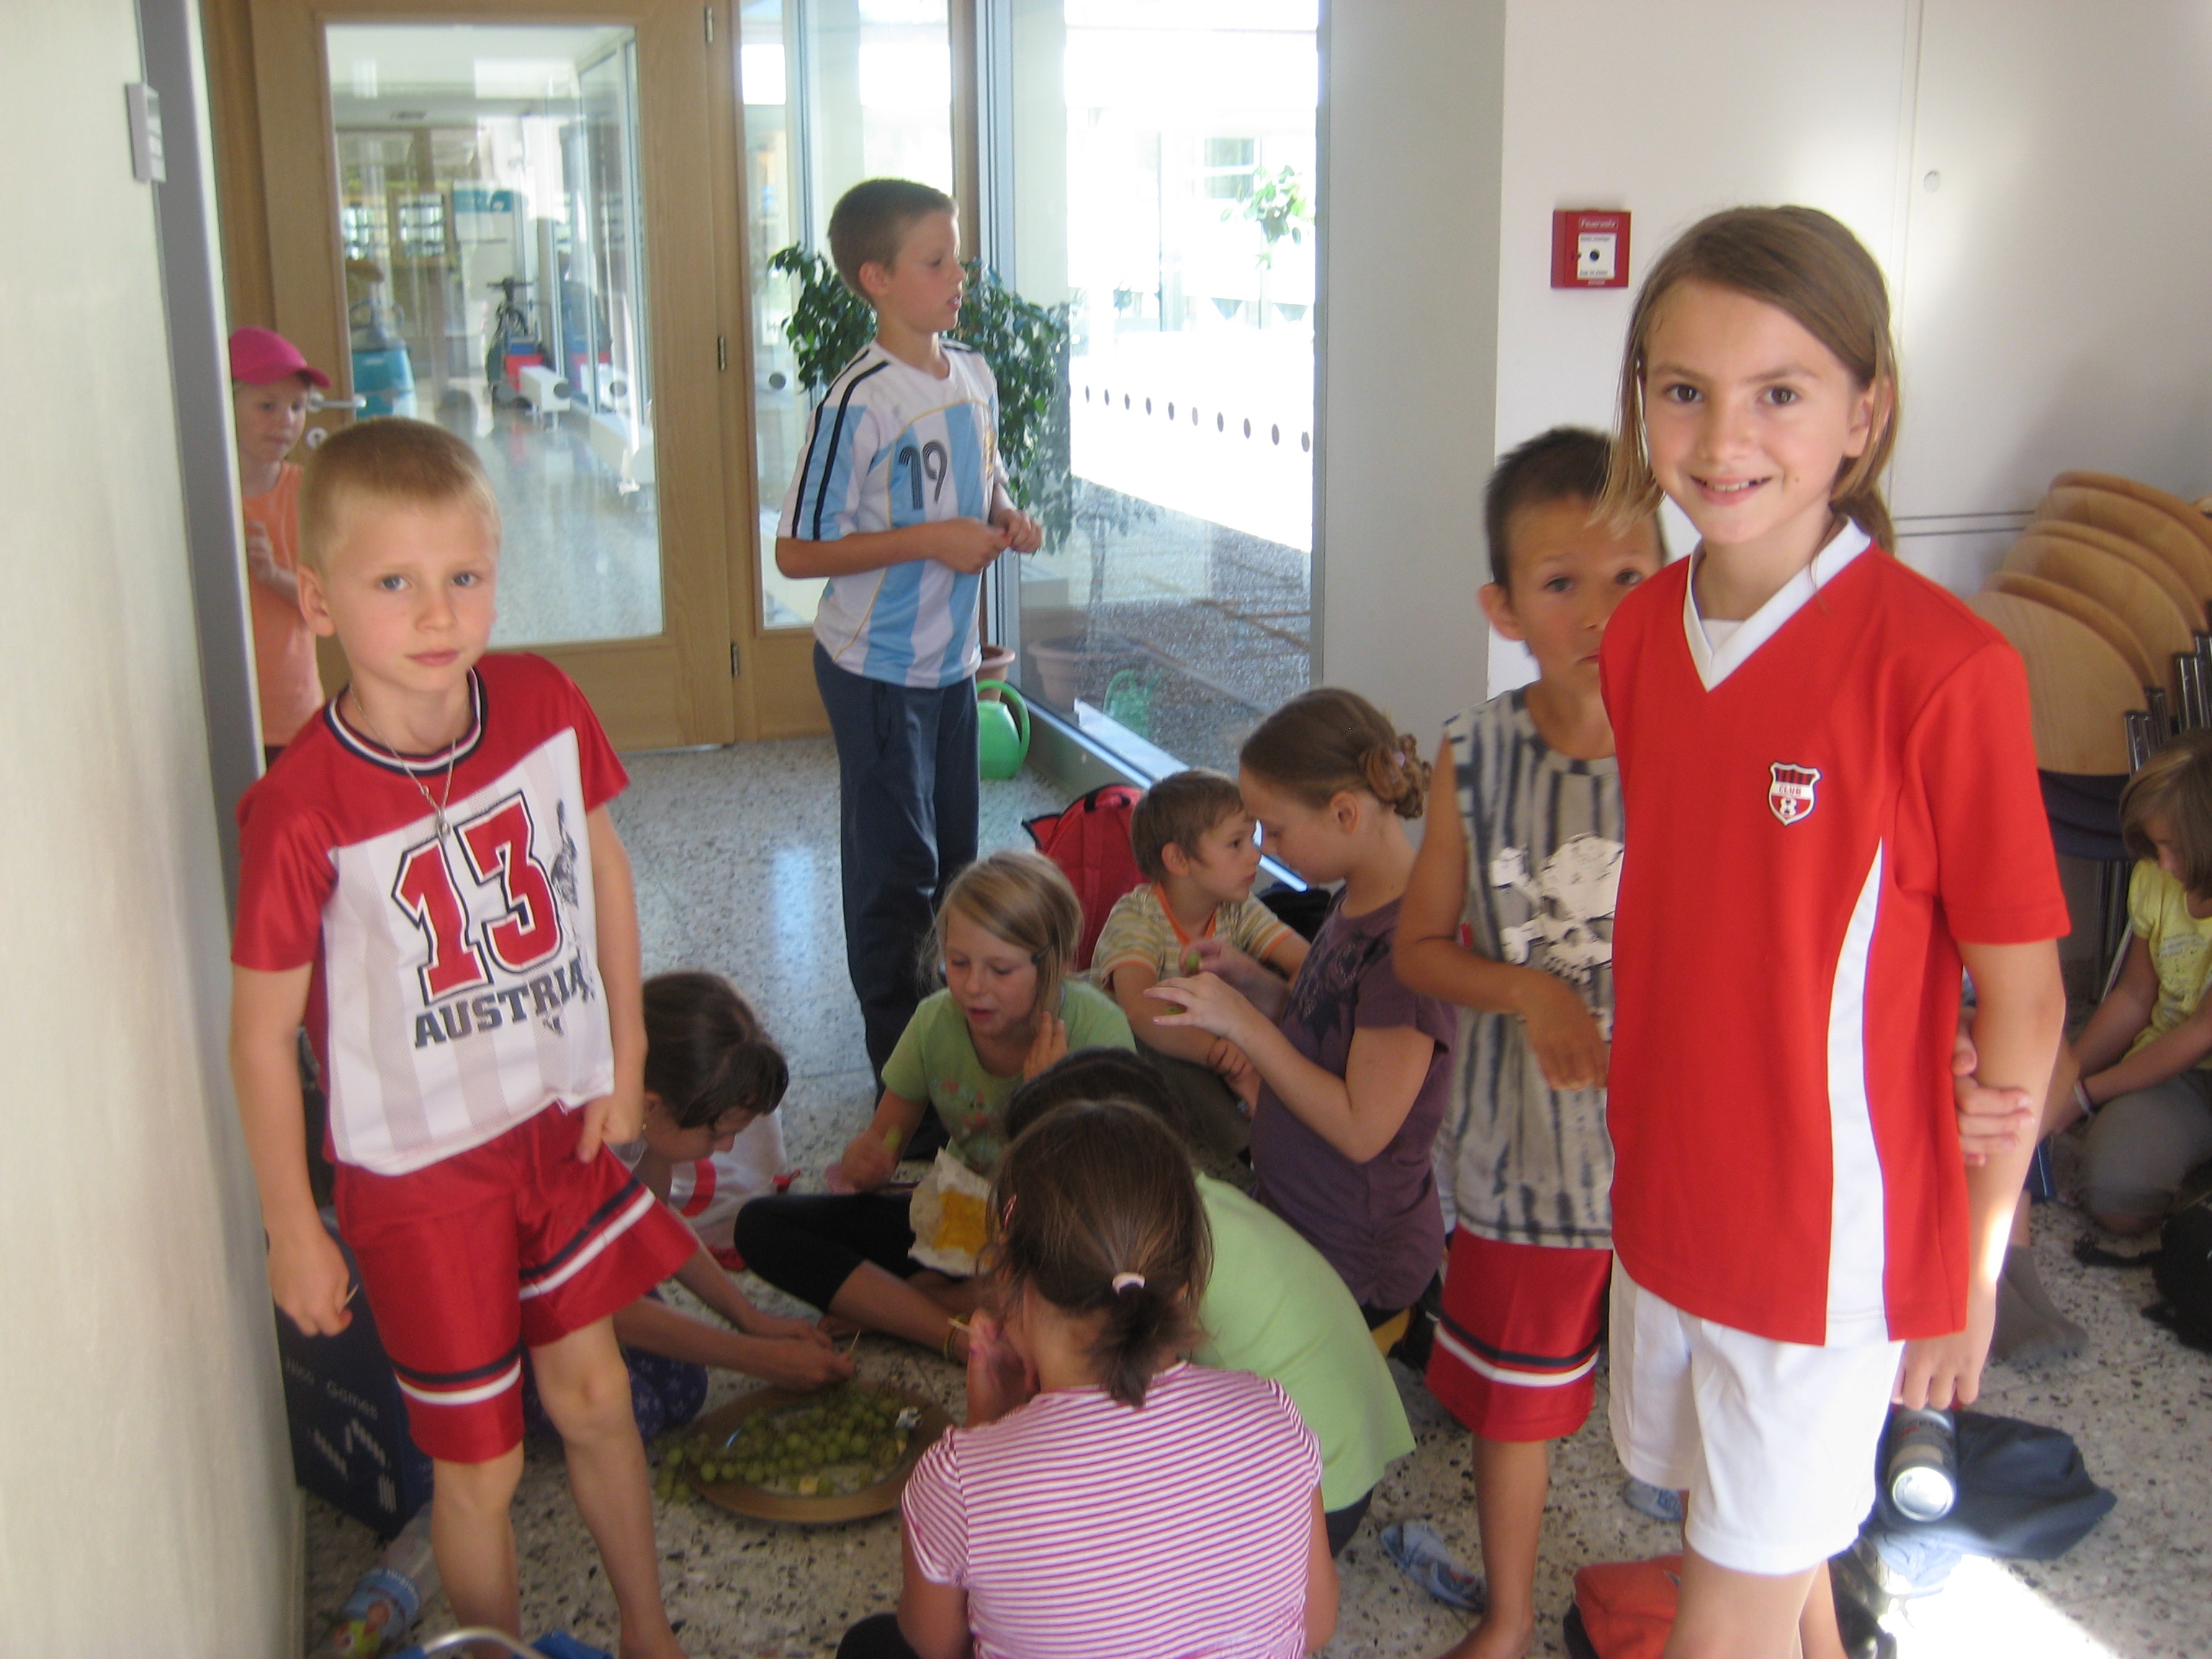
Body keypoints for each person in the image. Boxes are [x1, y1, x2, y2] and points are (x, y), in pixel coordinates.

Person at [1592, 206, 2067, 1658]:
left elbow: (2023, 998)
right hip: (1667, 1195)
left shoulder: (1945, 669)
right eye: (1685, 389)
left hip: (1825, 1249)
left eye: (1780, 392)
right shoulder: (1639, 632)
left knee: (1724, 1605)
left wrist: (1966, 1268)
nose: (1724, 437)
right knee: (1737, 1533)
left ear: (1864, 414)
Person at [228, 418, 696, 1659]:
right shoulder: (297, 808)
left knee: (596, 1395)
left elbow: (603, 865)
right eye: (394, 582)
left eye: (464, 575)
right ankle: (497, 1646)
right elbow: (261, 1036)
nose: (437, 613)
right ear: (318, 601)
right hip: (420, 1176)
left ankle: (650, 1634)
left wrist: (626, 1055)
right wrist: (292, 1223)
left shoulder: (540, 701)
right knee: (479, 1463)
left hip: (553, 1123)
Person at [1392, 426, 1663, 1659]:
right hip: (1524, 1161)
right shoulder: (1476, 751)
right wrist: (1530, 992)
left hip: (1675, 1165)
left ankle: (1746, 1604)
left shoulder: (1700, 744)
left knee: (1713, 1402)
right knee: (1517, 1402)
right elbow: (1418, 948)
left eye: (1631, 575)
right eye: (1562, 582)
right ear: (1503, 607)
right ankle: (1506, 1615)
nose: (1600, 609)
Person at [836, 1097, 1336, 1659]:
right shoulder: (1270, 1414)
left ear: (1006, 1277)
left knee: (870, 1647)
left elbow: (937, 1647)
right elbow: (1316, 1624)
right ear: (1184, 1282)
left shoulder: (958, 1481)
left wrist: (985, 1433)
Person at [775, 177, 1044, 1082]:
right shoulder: (856, 401)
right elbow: (797, 552)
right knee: (895, 877)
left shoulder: (972, 373)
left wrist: (1006, 515)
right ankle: (902, 1075)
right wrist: (934, 540)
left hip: (951, 666)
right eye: (936, 261)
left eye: (956, 256)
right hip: (876, 671)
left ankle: (953, 1040)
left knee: (956, 864)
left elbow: (986, 476)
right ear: (877, 278)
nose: (958, 275)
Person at [1002, 1047, 1414, 1555]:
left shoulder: (1153, 1261)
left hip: (1316, 1503)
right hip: (1341, 1458)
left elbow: (1106, 1421)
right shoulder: (1184, 1211)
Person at [1147, 688, 1455, 1354]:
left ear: (1344, 813)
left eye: (1275, 829)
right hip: (1300, 1212)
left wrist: (1243, 1025)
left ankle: (1402, 1335)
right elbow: (1328, 1031)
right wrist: (1257, 986)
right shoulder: (1356, 900)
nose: (1266, 848)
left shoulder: (1409, 954)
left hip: (1354, 1254)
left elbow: (1361, 1128)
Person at [733, 850, 1133, 1359]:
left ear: (1050, 964)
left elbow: (1112, 1191)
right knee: (761, 1225)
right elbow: (887, 1135)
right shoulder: (934, 1021)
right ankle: (949, 1323)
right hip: (962, 1218)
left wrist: (1044, 1101)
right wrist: (870, 1159)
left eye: (1000, 970)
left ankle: (899, 1308)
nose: (973, 987)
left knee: (1108, 1275)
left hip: (1056, 1226)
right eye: (958, 963)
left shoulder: (1100, 1031)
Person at [606, 971, 855, 1393]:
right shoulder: (577, 1144)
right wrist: (758, 1357)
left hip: (596, 1279)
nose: (726, 1147)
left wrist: (751, 1320)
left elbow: (649, 1220)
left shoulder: (646, 1119)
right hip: (520, 1304)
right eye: (716, 1132)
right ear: (653, 1106)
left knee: (681, 1391)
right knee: (631, 1406)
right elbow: (598, 1303)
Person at [1091, 769, 1310, 1168]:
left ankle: (1274, 1110)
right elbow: (1139, 1010)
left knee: (1286, 994)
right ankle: (1243, 1158)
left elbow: (1307, 965)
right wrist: (1217, 1053)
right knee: (1164, 1053)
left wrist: (1271, 1032)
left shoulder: (1237, 908)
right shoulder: (1137, 916)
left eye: (1252, 839)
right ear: (1178, 860)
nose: (1256, 855)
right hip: (1151, 1048)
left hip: (1224, 1039)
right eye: (1236, 844)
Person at [230, 326, 330, 765]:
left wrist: (272, 576)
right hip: (214, 710)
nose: (286, 421)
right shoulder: (195, 500)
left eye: (297, 406)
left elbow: (328, 605)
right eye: (266, 406)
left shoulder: (308, 494)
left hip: (292, 711)